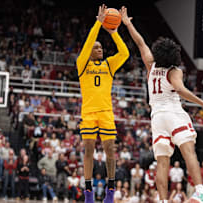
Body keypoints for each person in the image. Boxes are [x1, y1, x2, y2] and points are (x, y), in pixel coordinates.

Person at [120, 6, 203, 203]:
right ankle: (200, 193)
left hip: (157, 118)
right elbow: (181, 91)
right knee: (188, 150)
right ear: (174, 55)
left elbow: (140, 42)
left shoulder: (150, 64)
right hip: (173, 113)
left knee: (162, 163)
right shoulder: (174, 71)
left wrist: (128, 23)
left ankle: (163, 200)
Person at [77, 4, 129, 203]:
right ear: (89, 51)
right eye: (96, 47)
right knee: (89, 149)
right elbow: (89, 42)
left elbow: (124, 53)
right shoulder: (82, 64)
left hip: (106, 112)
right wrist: (97, 25)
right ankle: (88, 192)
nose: (99, 49)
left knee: (110, 151)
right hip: (89, 113)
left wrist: (114, 33)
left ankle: (110, 190)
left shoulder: (108, 65)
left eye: (100, 47)